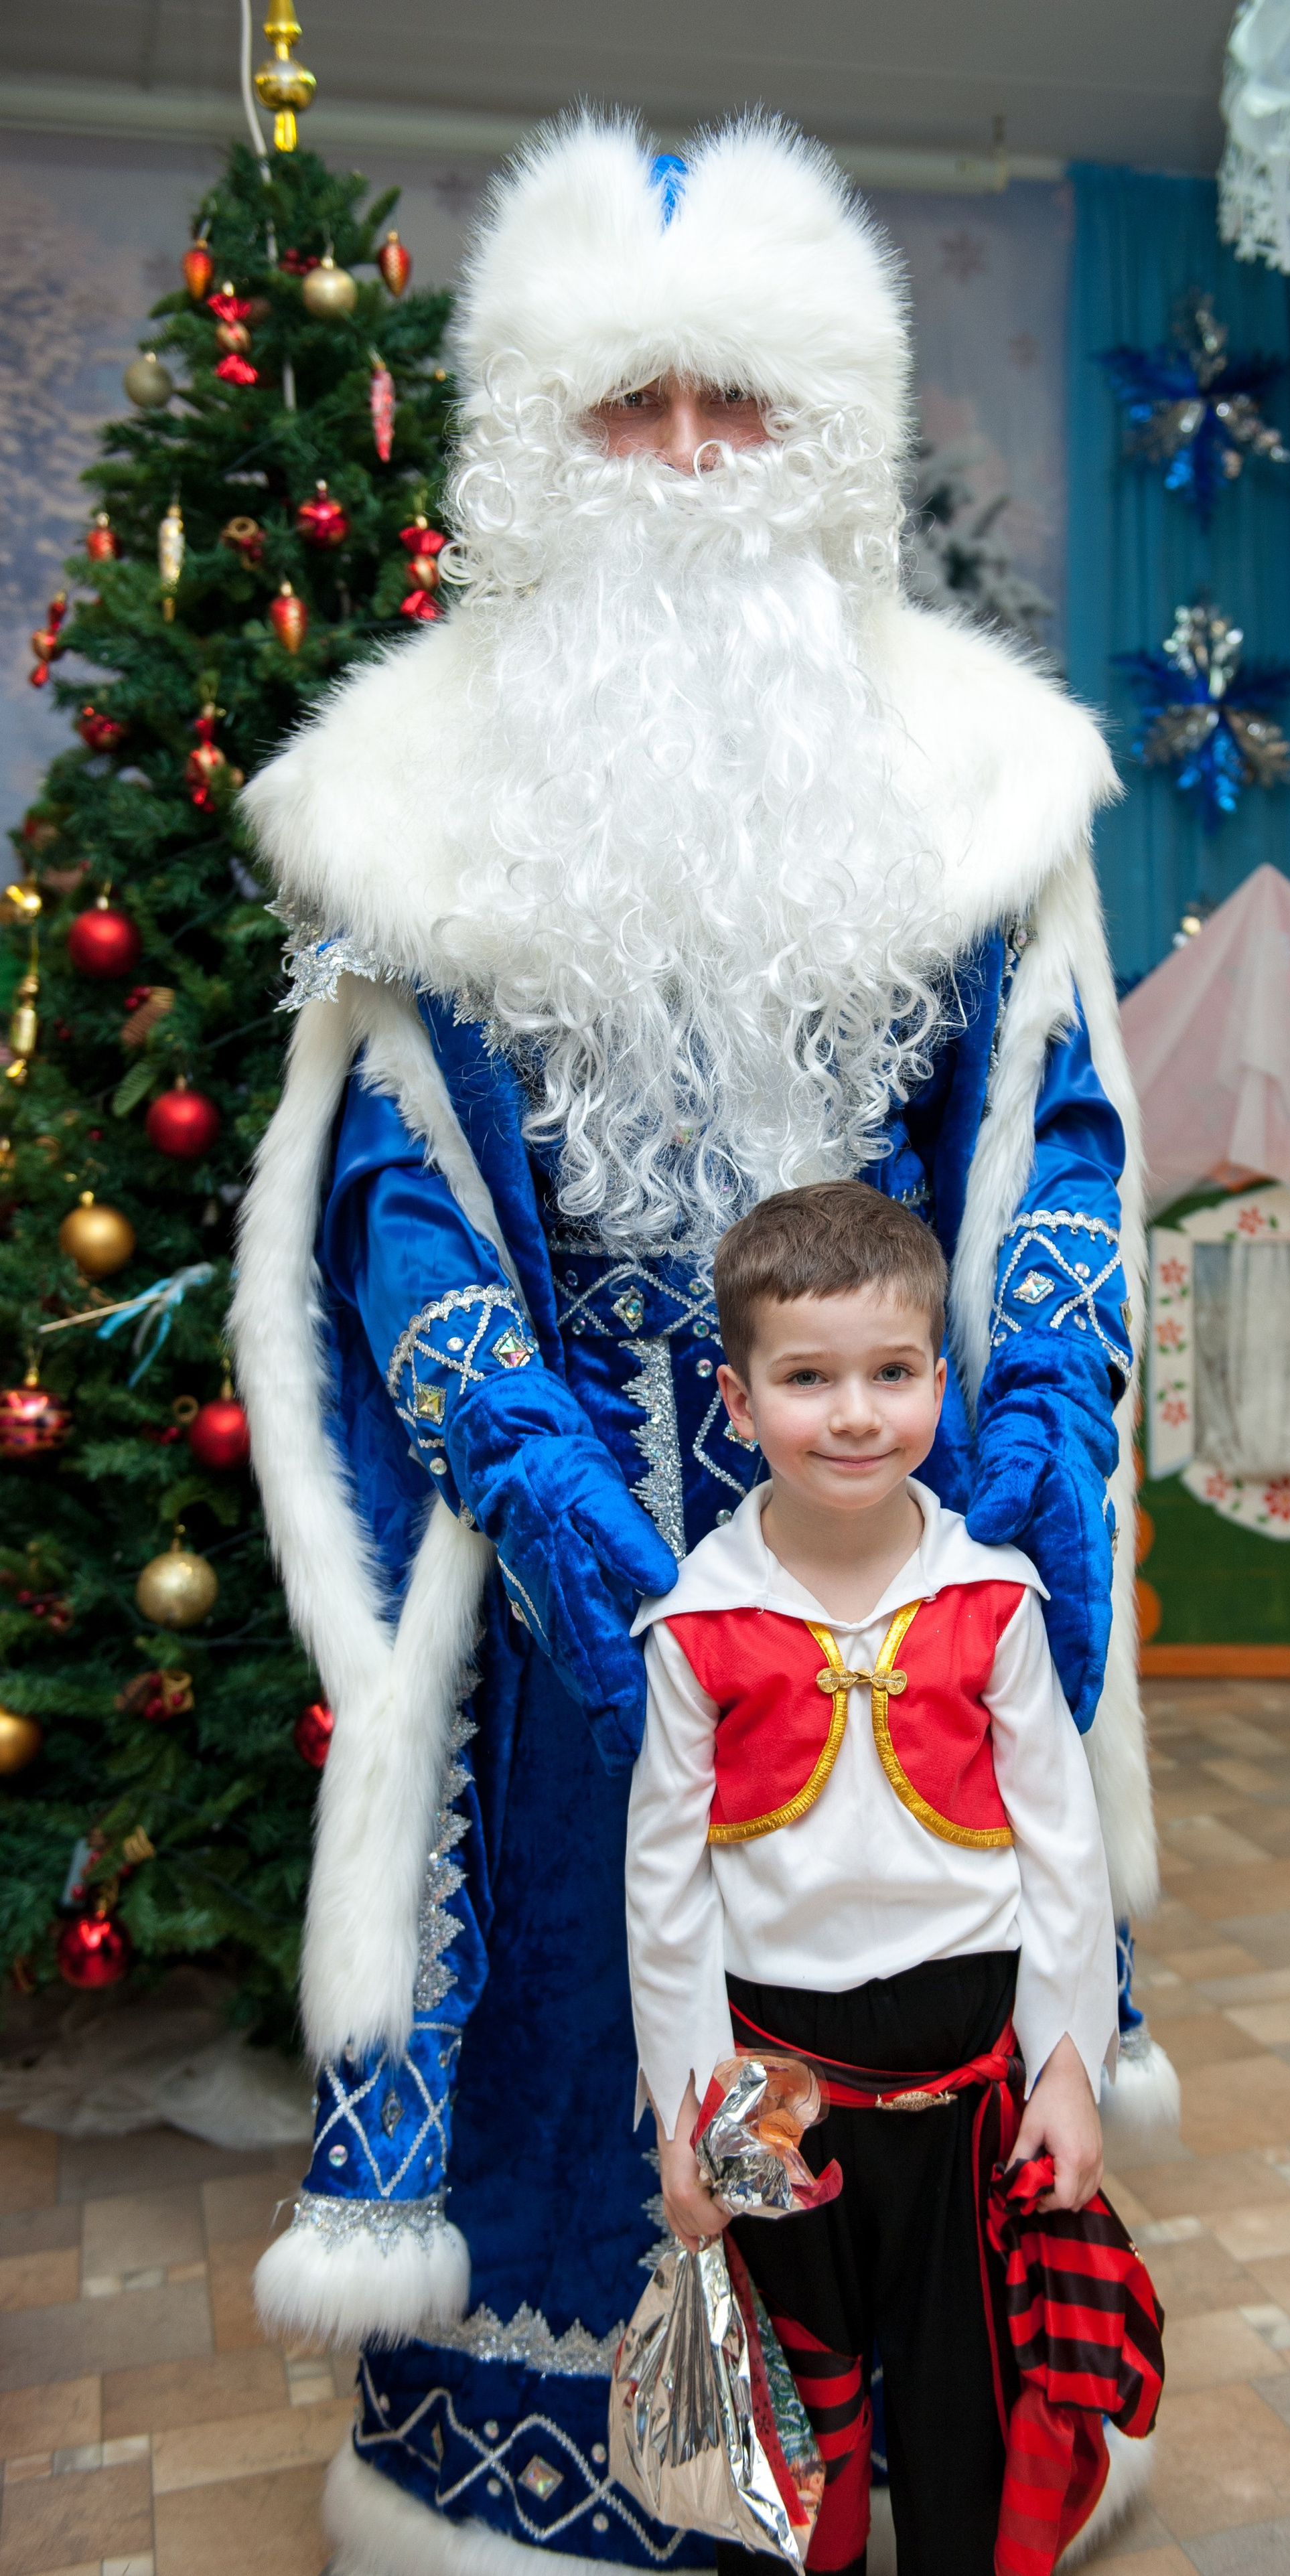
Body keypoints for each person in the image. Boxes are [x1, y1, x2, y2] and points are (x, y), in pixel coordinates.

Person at [232, 112, 1161, 2576]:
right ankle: (577, 2468)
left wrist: (1036, 1416)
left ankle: (922, 2444)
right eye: (622, 413)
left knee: (925, 1978)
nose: (676, 464)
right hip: (592, 1571)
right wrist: (539, 1484)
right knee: (593, 1984)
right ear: (535, 454)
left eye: (727, 411)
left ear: (821, 446)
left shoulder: (978, 785)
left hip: (894, 1505)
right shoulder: (411, 802)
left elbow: (1051, 1138)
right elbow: (391, 1193)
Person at [627, 1179, 1118, 2576]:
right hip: (776, 2087)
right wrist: (685, 2114)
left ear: (937, 1385)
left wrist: (1064, 2061)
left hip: (968, 2073)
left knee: (966, 2399)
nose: (853, 1414)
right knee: (800, 2402)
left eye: (890, 1373)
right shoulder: (696, 1629)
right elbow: (663, 1898)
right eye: (806, 1378)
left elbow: (1061, 1857)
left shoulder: (995, 1601)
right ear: (734, 1399)